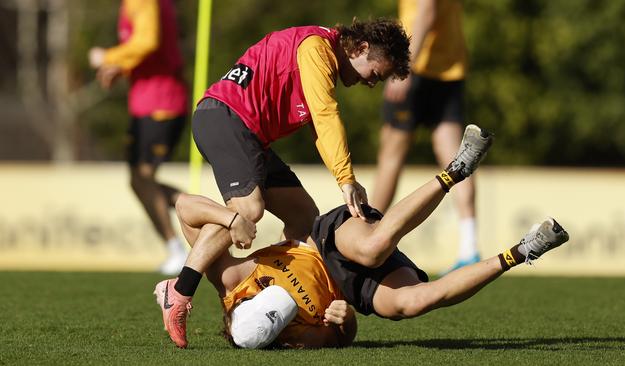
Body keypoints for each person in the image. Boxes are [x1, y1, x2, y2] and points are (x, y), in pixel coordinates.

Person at [153, 125, 571, 349]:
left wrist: (229, 221)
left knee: (372, 248)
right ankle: (523, 250)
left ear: (238, 308)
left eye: (265, 308)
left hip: (326, 238)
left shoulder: (229, 278)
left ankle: (456, 169)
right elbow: (341, 336)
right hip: (350, 287)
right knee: (413, 303)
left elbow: (185, 207)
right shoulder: (298, 338)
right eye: (279, 324)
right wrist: (345, 322)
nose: (281, 314)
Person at [190, 19, 410, 247]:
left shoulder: (325, 54)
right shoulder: (317, 49)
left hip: (248, 133)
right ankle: (183, 267)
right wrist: (346, 179)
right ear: (362, 48)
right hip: (225, 118)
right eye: (375, 73)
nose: (372, 83)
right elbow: (326, 116)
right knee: (249, 209)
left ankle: (274, 280)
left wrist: (345, 177)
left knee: (303, 216)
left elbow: (319, 126)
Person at [372, 0, 479, 272]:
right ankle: (470, 247)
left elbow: (427, 11)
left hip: (419, 69)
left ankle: (368, 233)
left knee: (391, 158)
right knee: (457, 159)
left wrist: (405, 67)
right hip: (450, 69)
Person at [88, 0, 189, 274]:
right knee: (139, 180)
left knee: (143, 178)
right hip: (148, 102)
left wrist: (107, 57)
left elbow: (148, 41)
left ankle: (179, 248)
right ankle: (204, 220)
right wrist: (122, 68)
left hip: (161, 103)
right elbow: (151, 51)